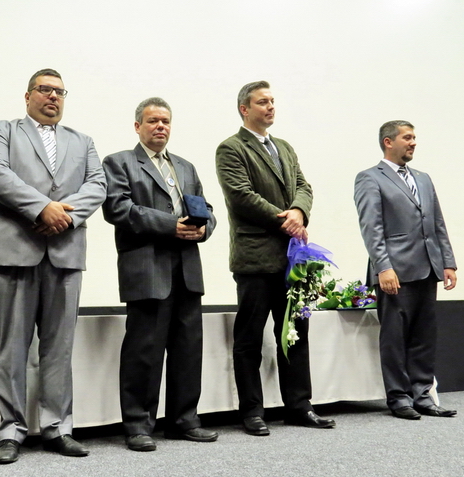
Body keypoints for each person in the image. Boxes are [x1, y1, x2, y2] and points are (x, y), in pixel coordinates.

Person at [0, 68, 106, 463]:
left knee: (59, 348)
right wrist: (42, 208)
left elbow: (97, 185)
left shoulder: (82, 141)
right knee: (12, 348)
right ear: (28, 95)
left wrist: (64, 216)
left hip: (65, 252)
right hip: (15, 250)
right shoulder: (2, 130)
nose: (53, 97)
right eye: (45, 90)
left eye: (60, 92)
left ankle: (57, 428)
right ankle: (10, 431)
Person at [215, 81, 335, 437]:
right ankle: (252, 411)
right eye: (262, 102)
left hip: (292, 260)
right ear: (244, 109)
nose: (270, 107)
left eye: (272, 101)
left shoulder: (284, 147)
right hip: (255, 259)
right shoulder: (231, 148)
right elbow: (241, 196)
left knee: (295, 333)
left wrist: (299, 210)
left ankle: (299, 405)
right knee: (250, 339)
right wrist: (288, 220)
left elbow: (304, 186)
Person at [102, 97, 218, 452]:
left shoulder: (185, 167)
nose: (160, 127)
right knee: (144, 351)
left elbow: (206, 208)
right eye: (153, 121)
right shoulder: (120, 162)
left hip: (187, 270)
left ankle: (184, 419)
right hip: (147, 269)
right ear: (138, 126)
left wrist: (205, 227)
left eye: (165, 121)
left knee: (188, 349)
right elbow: (118, 208)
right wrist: (171, 225)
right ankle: (138, 424)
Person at [354, 120, 457, 420]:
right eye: (407, 138)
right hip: (395, 272)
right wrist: (383, 267)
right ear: (388, 142)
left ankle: (423, 394)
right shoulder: (370, 178)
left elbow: (437, 223)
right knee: (395, 338)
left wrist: (447, 262)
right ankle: (399, 397)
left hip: (427, 267)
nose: (413, 143)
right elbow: (371, 228)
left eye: (414, 138)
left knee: (424, 336)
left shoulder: (423, 178)